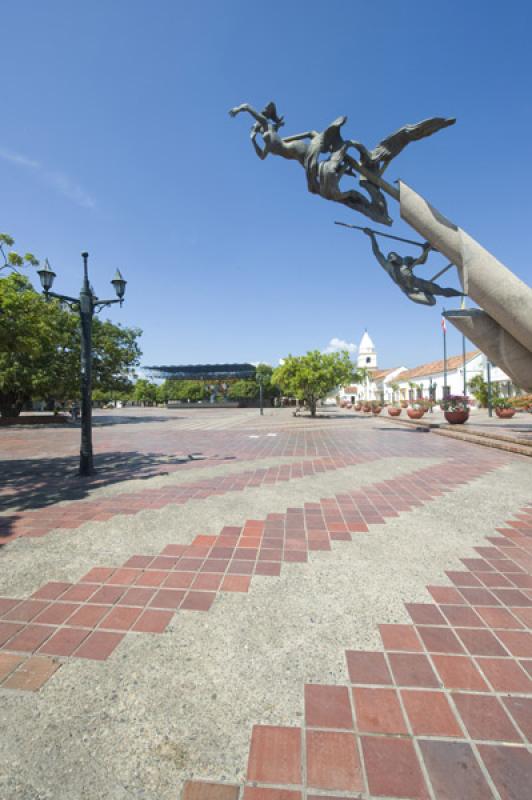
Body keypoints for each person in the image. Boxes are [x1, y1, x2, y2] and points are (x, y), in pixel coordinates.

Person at [363, 228, 464, 306]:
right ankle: (427, 294)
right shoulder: (389, 267)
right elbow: (377, 253)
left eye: (395, 258)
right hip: (410, 291)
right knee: (432, 302)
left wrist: (425, 251)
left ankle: (462, 294)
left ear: (398, 257)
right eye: (392, 260)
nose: (394, 261)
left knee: (442, 291)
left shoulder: (406, 260)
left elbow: (422, 261)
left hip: (419, 283)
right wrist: (372, 237)